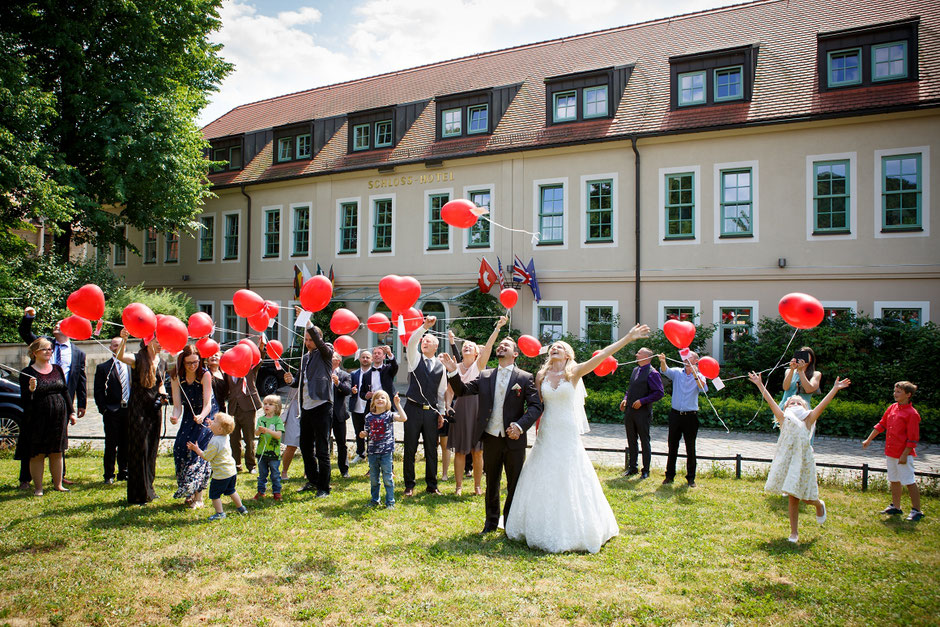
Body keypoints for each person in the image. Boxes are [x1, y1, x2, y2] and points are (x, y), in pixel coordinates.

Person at [502, 324, 651, 553]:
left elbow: (602, 355)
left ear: (568, 354)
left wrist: (628, 338)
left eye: (560, 347)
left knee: (570, 473)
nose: (555, 348)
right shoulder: (541, 375)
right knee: (541, 471)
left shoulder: (574, 373)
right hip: (548, 430)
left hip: (567, 431)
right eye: (553, 347)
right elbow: (536, 406)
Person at [441, 334, 543, 534]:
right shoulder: (486, 376)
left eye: (507, 345)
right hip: (490, 437)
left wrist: (520, 426)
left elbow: (536, 406)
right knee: (492, 481)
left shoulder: (524, 378)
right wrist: (453, 373)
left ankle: (511, 524)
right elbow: (462, 391)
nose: (501, 346)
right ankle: (491, 523)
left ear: (515, 354)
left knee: (514, 482)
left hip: (514, 438)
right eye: (500, 345)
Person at [749, 371, 850, 544]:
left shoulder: (808, 420)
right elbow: (770, 401)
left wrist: (834, 389)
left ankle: (818, 504)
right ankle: (794, 532)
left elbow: (822, 405)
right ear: (786, 407)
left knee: (806, 497)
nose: (795, 404)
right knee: (793, 496)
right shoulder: (783, 418)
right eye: (791, 402)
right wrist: (759, 384)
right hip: (788, 461)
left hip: (803, 462)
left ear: (804, 408)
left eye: (798, 402)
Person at [18, 306, 87, 487]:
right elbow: (25, 332)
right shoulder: (43, 344)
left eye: (61, 324)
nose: (56, 325)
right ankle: (26, 478)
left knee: (58, 442)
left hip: (61, 401)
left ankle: (59, 478)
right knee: (35, 443)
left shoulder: (78, 352)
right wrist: (29, 316)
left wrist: (80, 404)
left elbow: (80, 378)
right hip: (39, 400)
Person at [445, 316, 506, 496]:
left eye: (470, 346)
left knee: (477, 451)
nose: (466, 347)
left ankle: (478, 486)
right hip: (461, 409)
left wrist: (497, 329)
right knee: (460, 451)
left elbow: (488, 348)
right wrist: (448, 405)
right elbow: (449, 391)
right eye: (464, 345)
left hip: (478, 409)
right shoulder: (454, 366)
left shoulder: (480, 366)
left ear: (476, 353)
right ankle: (458, 487)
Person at [18, 338, 75, 495]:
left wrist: (71, 411)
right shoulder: (27, 373)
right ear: (35, 352)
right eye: (45, 349)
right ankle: (38, 488)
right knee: (38, 453)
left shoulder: (57, 369)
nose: (49, 351)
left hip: (58, 418)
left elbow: (64, 391)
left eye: (50, 349)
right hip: (37, 418)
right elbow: (24, 400)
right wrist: (30, 389)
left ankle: (58, 484)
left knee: (57, 451)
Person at [117, 328, 167, 506]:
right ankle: (138, 493)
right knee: (140, 449)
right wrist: (123, 340)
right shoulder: (138, 359)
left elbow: (161, 384)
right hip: (138, 409)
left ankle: (149, 489)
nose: (161, 344)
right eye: (157, 341)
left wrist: (163, 395)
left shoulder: (162, 361)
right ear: (148, 342)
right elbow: (120, 356)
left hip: (154, 410)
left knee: (152, 449)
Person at [862, 381, 924, 522]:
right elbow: (882, 424)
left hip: (903, 454)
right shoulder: (892, 408)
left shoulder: (912, 414)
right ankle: (896, 506)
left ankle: (917, 510)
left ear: (908, 395)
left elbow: (913, 438)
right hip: (891, 451)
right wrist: (869, 439)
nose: (895, 394)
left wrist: (904, 454)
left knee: (909, 481)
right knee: (894, 480)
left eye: (899, 392)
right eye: (895, 391)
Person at [290, 307, 335, 497]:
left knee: (322, 448)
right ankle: (313, 479)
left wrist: (307, 321)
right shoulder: (305, 357)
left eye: (311, 339)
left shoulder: (327, 352)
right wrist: (290, 381)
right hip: (306, 407)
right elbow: (300, 381)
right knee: (306, 446)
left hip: (322, 405)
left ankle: (324, 487)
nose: (308, 343)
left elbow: (319, 341)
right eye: (306, 340)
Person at [402, 316, 447, 496]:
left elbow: (441, 393)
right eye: (424, 341)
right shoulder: (415, 359)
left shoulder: (441, 367)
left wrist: (441, 413)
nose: (424, 342)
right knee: (410, 448)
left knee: (431, 450)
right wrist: (424, 328)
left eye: (429, 341)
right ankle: (409, 485)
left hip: (431, 413)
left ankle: (432, 485)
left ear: (436, 347)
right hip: (412, 410)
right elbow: (411, 343)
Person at [169, 345, 214, 508]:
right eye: (189, 363)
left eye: (195, 362)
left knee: (197, 451)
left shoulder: (204, 374)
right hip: (189, 415)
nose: (193, 366)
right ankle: (188, 490)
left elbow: (208, 403)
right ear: (182, 363)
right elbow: (177, 405)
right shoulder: (176, 376)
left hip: (205, 415)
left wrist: (202, 416)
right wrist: (175, 416)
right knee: (180, 448)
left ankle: (199, 497)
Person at [187, 412, 248, 521]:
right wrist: (213, 424)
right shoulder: (225, 435)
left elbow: (206, 456)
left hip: (221, 474)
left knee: (215, 494)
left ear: (219, 429)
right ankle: (241, 508)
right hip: (231, 471)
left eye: (214, 421)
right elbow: (221, 428)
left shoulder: (215, 442)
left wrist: (196, 449)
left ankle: (220, 513)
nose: (211, 422)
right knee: (231, 490)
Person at [658, 351, 706, 487]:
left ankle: (691, 478)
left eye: (689, 357)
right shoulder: (678, 372)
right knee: (672, 446)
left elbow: (703, 388)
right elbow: (665, 370)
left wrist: (695, 373)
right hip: (675, 415)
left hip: (691, 417)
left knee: (690, 448)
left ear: (696, 360)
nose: (686, 359)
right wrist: (662, 361)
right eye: (685, 357)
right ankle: (669, 476)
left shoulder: (700, 376)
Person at [619, 347, 663, 479]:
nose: (636, 355)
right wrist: (625, 399)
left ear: (647, 357)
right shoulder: (635, 370)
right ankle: (632, 468)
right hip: (630, 411)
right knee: (631, 440)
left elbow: (659, 393)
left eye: (639, 353)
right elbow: (630, 389)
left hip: (643, 413)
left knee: (644, 440)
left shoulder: (653, 373)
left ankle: (646, 470)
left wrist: (643, 401)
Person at [93, 335, 132, 484]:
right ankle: (109, 474)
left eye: (120, 345)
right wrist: (104, 409)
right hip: (112, 411)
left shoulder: (131, 366)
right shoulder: (103, 367)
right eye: (115, 345)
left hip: (128, 410)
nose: (118, 348)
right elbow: (98, 391)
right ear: (110, 348)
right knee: (111, 444)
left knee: (126, 442)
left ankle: (124, 471)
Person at [359, 391, 408, 508]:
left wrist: (398, 404)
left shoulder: (389, 415)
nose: (380, 400)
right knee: (374, 479)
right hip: (372, 452)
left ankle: (390, 501)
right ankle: (375, 500)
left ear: (387, 402)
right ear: (373, 402)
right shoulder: (368, 417)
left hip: (386, 452)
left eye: (383, 398)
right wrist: (363, 434)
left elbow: (403, 418)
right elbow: (367, 431)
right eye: (377, 398)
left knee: (387, 478)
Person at [226, 339, 262, 474]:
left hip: (247, 407)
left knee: (249, 439)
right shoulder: (228, 370)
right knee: (234, 439)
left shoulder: (250, 368)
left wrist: (261, 346)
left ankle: (251, 465)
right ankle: (236, 464)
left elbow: (259, 360)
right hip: (233, 408)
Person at [254, 394, 285, 501]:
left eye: (270, 404)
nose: (267, 406)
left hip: (274, 453)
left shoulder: (277, 420)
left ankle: (276, 492)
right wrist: (259, 430)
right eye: (265, 404)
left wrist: (267, 431)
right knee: (262, 474)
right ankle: (260, 491)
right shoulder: (261, 419)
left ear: (276, 407)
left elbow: (278, 435)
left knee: (275, 474)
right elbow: (256, 433)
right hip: (262, 452)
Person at [348, 349, 374, 465]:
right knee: (358, 432)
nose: (365, 359)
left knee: (371, 432)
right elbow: (348, 388)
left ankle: (371, 454)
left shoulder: (375, 373)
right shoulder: (354, 374)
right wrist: (351, 391)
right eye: (363, 357)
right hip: (357, 407)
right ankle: (360, 453)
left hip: (371, 409)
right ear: (359, 359)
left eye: (367, 357)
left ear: (371, 359)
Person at [330, 353, 352, 478]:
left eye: (332, 357)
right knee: (322, 442)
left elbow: (347, 391)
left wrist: (338, 383)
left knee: (341, 443)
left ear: (338, 360)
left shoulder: (345, 375)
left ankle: (344, 470)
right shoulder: (323, 373)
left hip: (339, 414)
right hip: (324, 414)